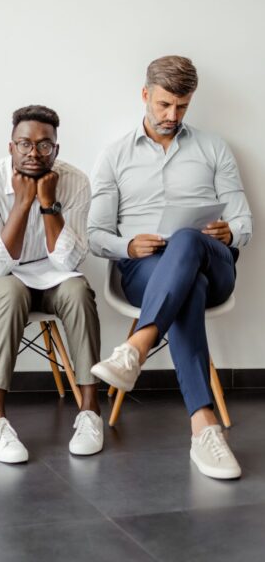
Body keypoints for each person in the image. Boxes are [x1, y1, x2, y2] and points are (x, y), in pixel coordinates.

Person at [88, 56, 253, 480]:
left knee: (186, 240)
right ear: (145, 95)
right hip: (144, 269)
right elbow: (95, 234)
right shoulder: (114, 156)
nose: (171, 116)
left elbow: (244, 222)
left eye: (181, 106)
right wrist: (128, 243)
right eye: (163, 105)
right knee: (187, 290)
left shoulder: (214, 148)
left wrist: (227, 234)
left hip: (213, 263)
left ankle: (137, 347)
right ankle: (204, 427)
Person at [0, 105, 102, 463]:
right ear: (10, 147)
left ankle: (89, 410)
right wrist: (22, 204)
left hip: (51, 272)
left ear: (56, 149)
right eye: (24, 144)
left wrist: (48, 204)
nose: (34, 153)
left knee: (78, 289)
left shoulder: (76, 182)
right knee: (11, 290)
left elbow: (69, 261)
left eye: (44, 145)